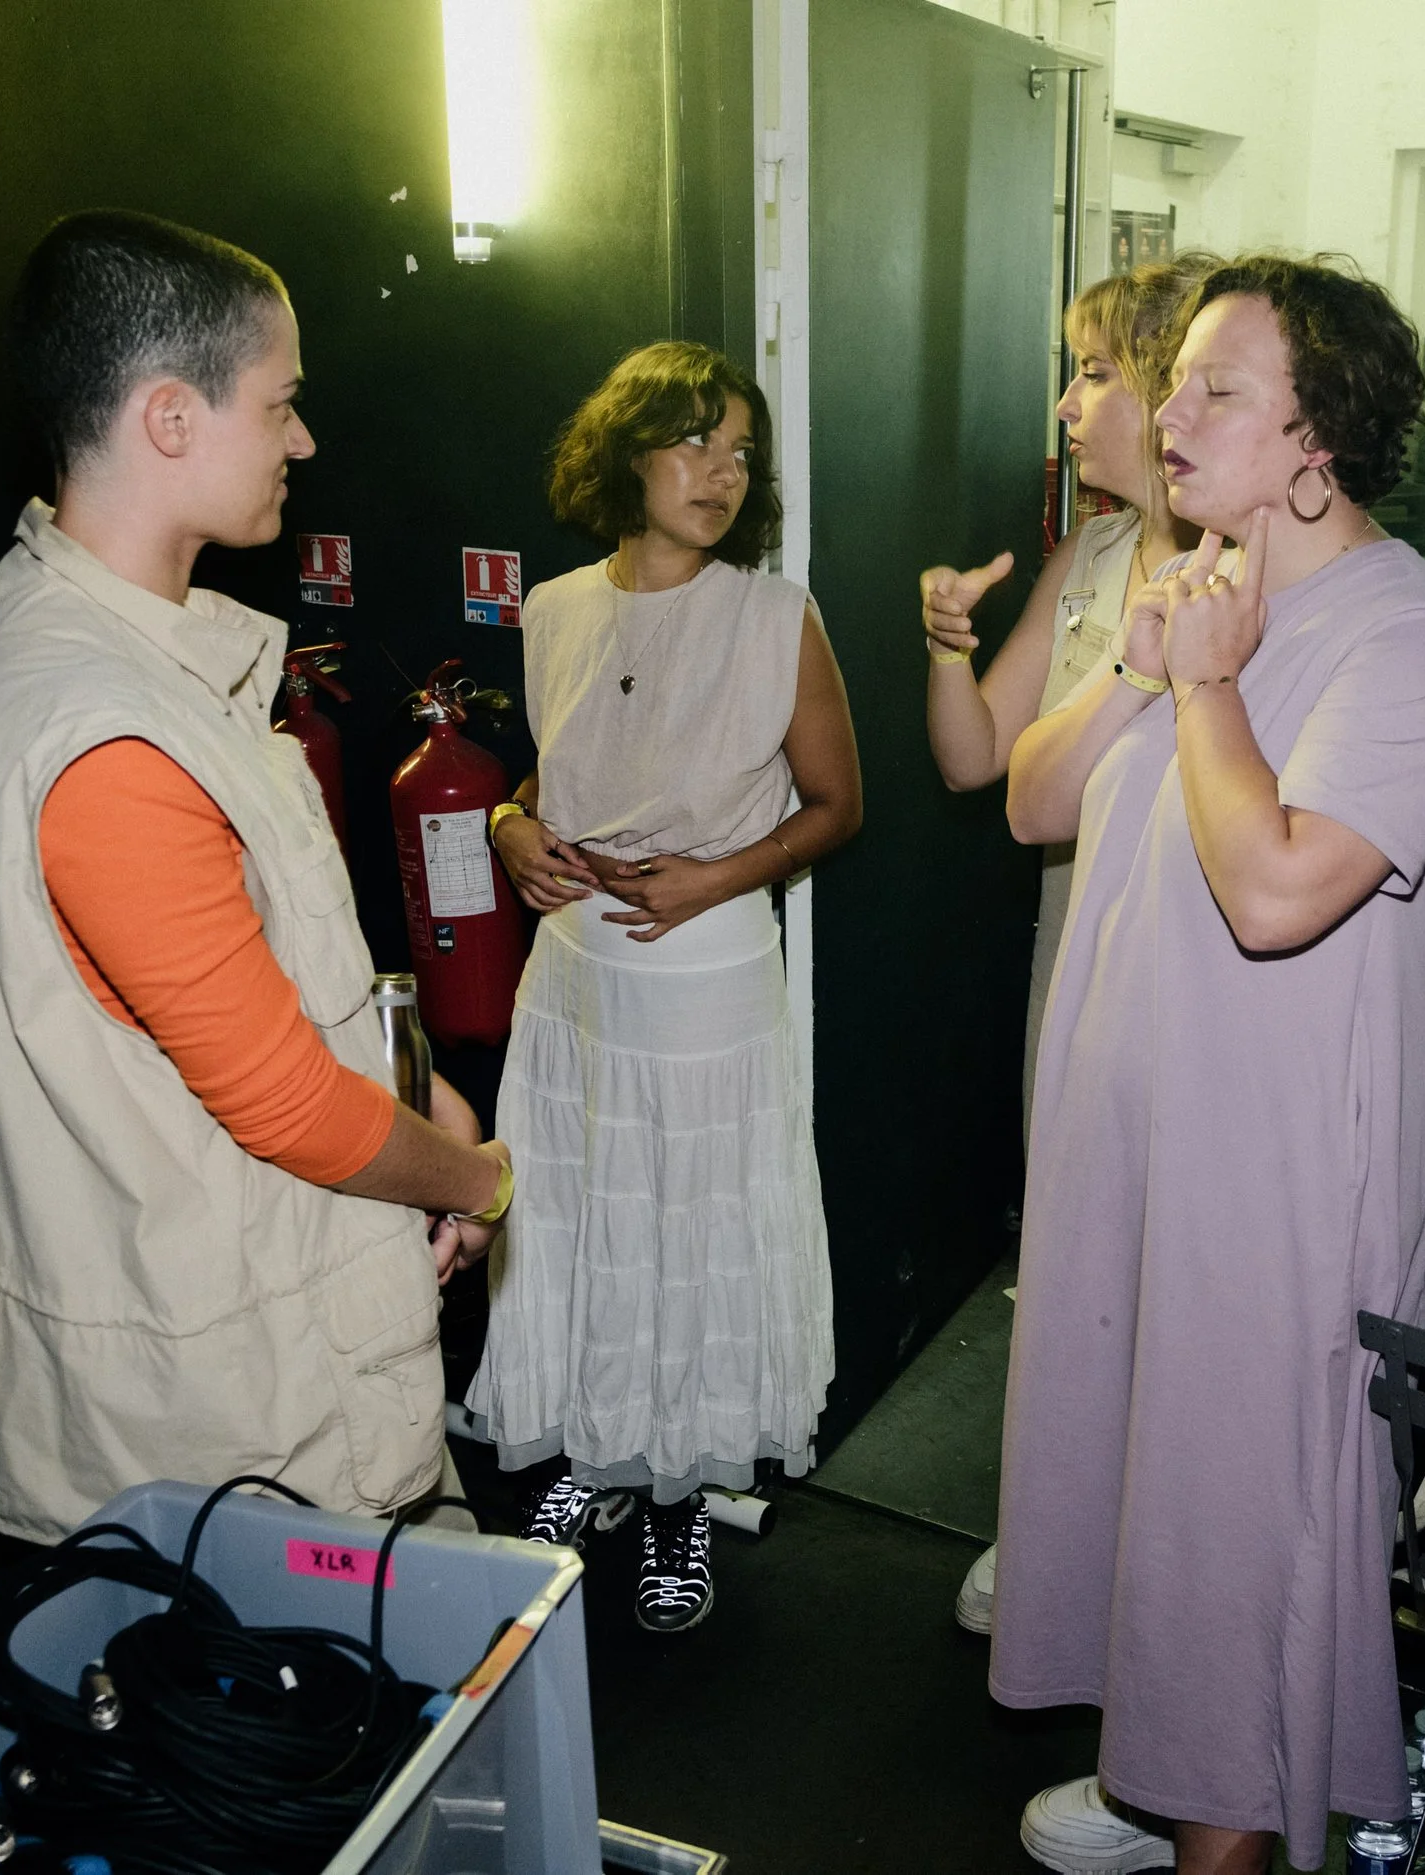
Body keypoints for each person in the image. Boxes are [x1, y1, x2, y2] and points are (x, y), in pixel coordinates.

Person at [992, 257, 1425, 1875]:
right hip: (1135, 1133)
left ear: (1317, 444)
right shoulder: (1195, 589)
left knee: (1243, 1515)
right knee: (1136, 1469)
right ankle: (1164, 1770)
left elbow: (1278, 889)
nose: (1171, 408)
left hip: (1279, 1171)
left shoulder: (1418, 641)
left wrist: (1205, 685)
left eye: (1219, 385)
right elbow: (1028, 801)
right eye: (1180, 378)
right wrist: (1155, 659)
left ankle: (1228, 1822)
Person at [0, 211, 513, 1550]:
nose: (303, 441)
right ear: (171, 418)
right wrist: (472, 1177)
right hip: (224, 1437)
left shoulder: (96, 636)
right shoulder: (107, 725)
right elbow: (286, 1103)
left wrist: (411, 1067)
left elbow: (272, 969)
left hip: (244, 1390)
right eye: (281, 402)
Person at [464, 340, 862, 1632]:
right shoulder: (560, 606)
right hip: (575, 979)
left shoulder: (774, 615)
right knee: (586, 1228)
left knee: (692, 1228)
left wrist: (716, 878)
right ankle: (596, 1458)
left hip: (708, 976)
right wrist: (509, 826)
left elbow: (840, 804)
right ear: (627, 452)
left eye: (742, 450)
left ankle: (681, 1499)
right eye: (697, 441)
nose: (723, 472)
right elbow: (559, 775)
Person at [918, 254, 1214, 1638]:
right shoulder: (1090, 554)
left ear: (1171, 386)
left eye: (1095, 369)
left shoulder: (1251, 567)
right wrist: (943, 642)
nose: (1069, 401)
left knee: (1184, 1275)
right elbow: (982, 759)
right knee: (1077, 1252)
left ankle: (1158, 1582)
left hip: (1205, 953)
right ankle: (1055, 1532)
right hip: (1074, 936)